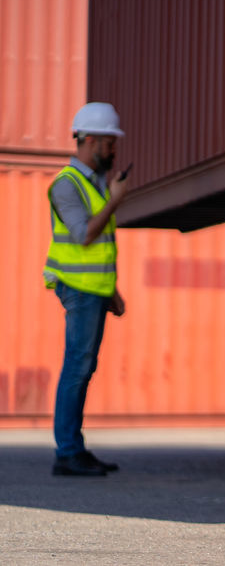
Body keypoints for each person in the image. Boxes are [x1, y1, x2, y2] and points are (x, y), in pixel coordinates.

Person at [43, 102, 130, 477]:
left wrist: (111, 292)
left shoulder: (94, 183)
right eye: (109, 143)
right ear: (90, 139)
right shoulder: (66, 184)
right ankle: (67, 453)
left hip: (93, 290)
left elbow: (101, 247)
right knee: (77, 368)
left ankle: (74, 447)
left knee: (83, 367)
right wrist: (115, 200)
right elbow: (84, 236)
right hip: (77, 289)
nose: (113, 151)